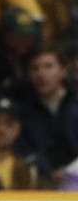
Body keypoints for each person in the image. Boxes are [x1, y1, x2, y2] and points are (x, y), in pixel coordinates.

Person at [10, 47, 78, 181]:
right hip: (41, 184)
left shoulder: (75, 104)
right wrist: (48, 172)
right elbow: (24, 151)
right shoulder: (22, 112)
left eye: (48, 66)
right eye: (35, 68)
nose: (41, 74)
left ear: (63, 71)